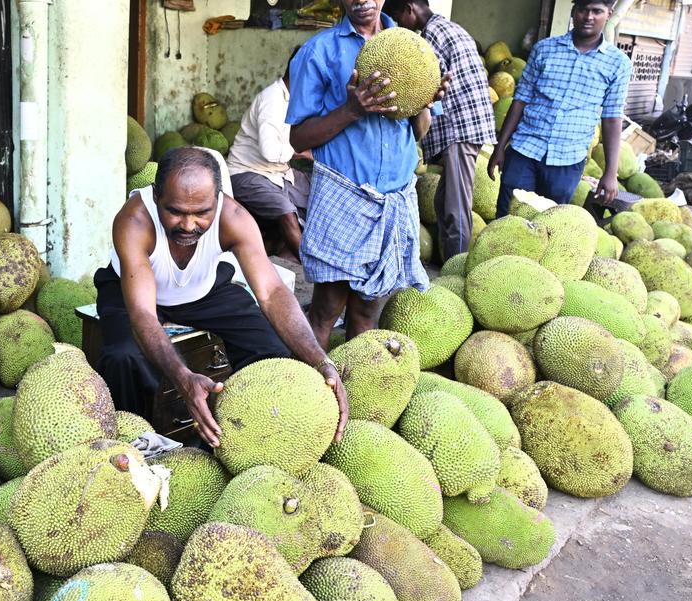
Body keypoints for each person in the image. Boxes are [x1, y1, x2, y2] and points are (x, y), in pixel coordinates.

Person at [95, 147, 349, 448]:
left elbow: (271, 292)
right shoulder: (135, 220)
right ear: (156, 195)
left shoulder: (234, 217)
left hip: (202, 288)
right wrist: (183, 377)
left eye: (201, 213)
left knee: (271, 349)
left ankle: (237, 442)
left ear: (217, 198)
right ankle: (132, 444)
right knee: (123, 356)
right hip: (132, 291)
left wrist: (320, 360)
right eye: (175, 211)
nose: (188, 225)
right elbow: (143, 315)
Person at [285, 0, 447, 345]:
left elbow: (418, 131)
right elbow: (297, 137)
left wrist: (423, 104)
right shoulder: (319, 52)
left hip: (396, 195)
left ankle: (355, 388)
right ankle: (310, 389)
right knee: (327, 308)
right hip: (344, 195)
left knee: (366, 311)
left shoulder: (414, 49)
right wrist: (351, 110)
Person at [489, 0, 630, 218]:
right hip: (525, 149)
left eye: (597, 11)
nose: (589, 16)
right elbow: (520, 100)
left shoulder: (618, 63)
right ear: (574, 11)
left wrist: (611, 172)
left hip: (568, 159)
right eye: (583, 9)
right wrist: (500, 147)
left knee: (547, 227)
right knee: (506, 219)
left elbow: (612, 117)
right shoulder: (544, 50)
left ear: (609, 14)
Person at [385, 0, 495, 259]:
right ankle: (450, 260)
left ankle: (456, 268)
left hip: (460, 127)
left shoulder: (432, 35)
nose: (401, 25)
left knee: (456, 205)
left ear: (409, 8)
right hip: (468, 124)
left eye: (399, 17)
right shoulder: (450, 27)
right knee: (445, 201)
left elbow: (426, 86)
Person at [227, 48, 311, 264]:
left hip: (278, 173)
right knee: (285, 210)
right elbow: (271, 152)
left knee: (319, 195)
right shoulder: (272, 101)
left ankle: (283, 249)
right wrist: (301, 152)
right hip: (246, 173)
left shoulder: (295, 100)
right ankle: (310, 268)